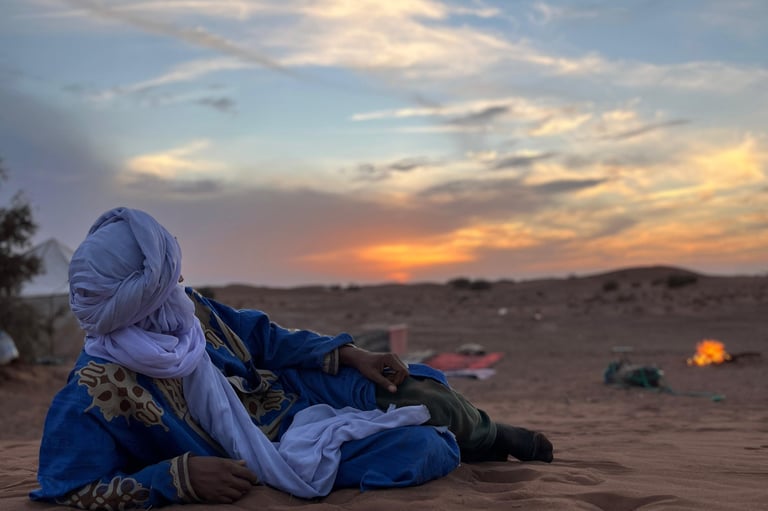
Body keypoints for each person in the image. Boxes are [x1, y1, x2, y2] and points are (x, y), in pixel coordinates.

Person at [31, 207, 553, 509]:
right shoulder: (94, 391)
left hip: (290, 392)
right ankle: (464, 443)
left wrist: (350, 354)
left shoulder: (187, 310)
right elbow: (69, 489)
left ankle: (487, 437)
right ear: (136, 297)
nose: (180, 283)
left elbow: (264, 338)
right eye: (166, 278)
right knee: (422, 449)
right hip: (272, 450)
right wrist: (176, 477)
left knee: (422, 395)